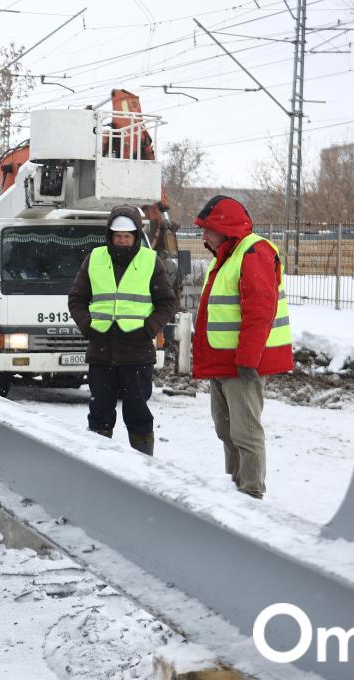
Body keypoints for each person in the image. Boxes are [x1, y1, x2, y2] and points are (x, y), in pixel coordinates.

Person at [191, 195, 293, 499]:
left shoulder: (254, 252)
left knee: (245, 432)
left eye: (208, 228)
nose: (203, 235)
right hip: (223, 360)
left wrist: (248, 359)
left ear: (226, 227)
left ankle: (250, 494)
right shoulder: (225, 256)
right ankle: (233, 489)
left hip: (242, 364)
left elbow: (260, 310)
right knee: (225, 430)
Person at [67, 206, 177, 455]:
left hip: (137, 353)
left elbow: (167, 303)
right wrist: (88, 327)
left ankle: (142, 468)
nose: (123, 241)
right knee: (99, 416)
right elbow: (76, 299)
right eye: (118, 236)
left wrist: (149, 329)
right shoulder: (95, 258)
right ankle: (99, 466)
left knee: (138, 415)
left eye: (128, 236)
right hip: (101, 352)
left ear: (136, 235)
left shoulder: (150, 260)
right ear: (110, 235)